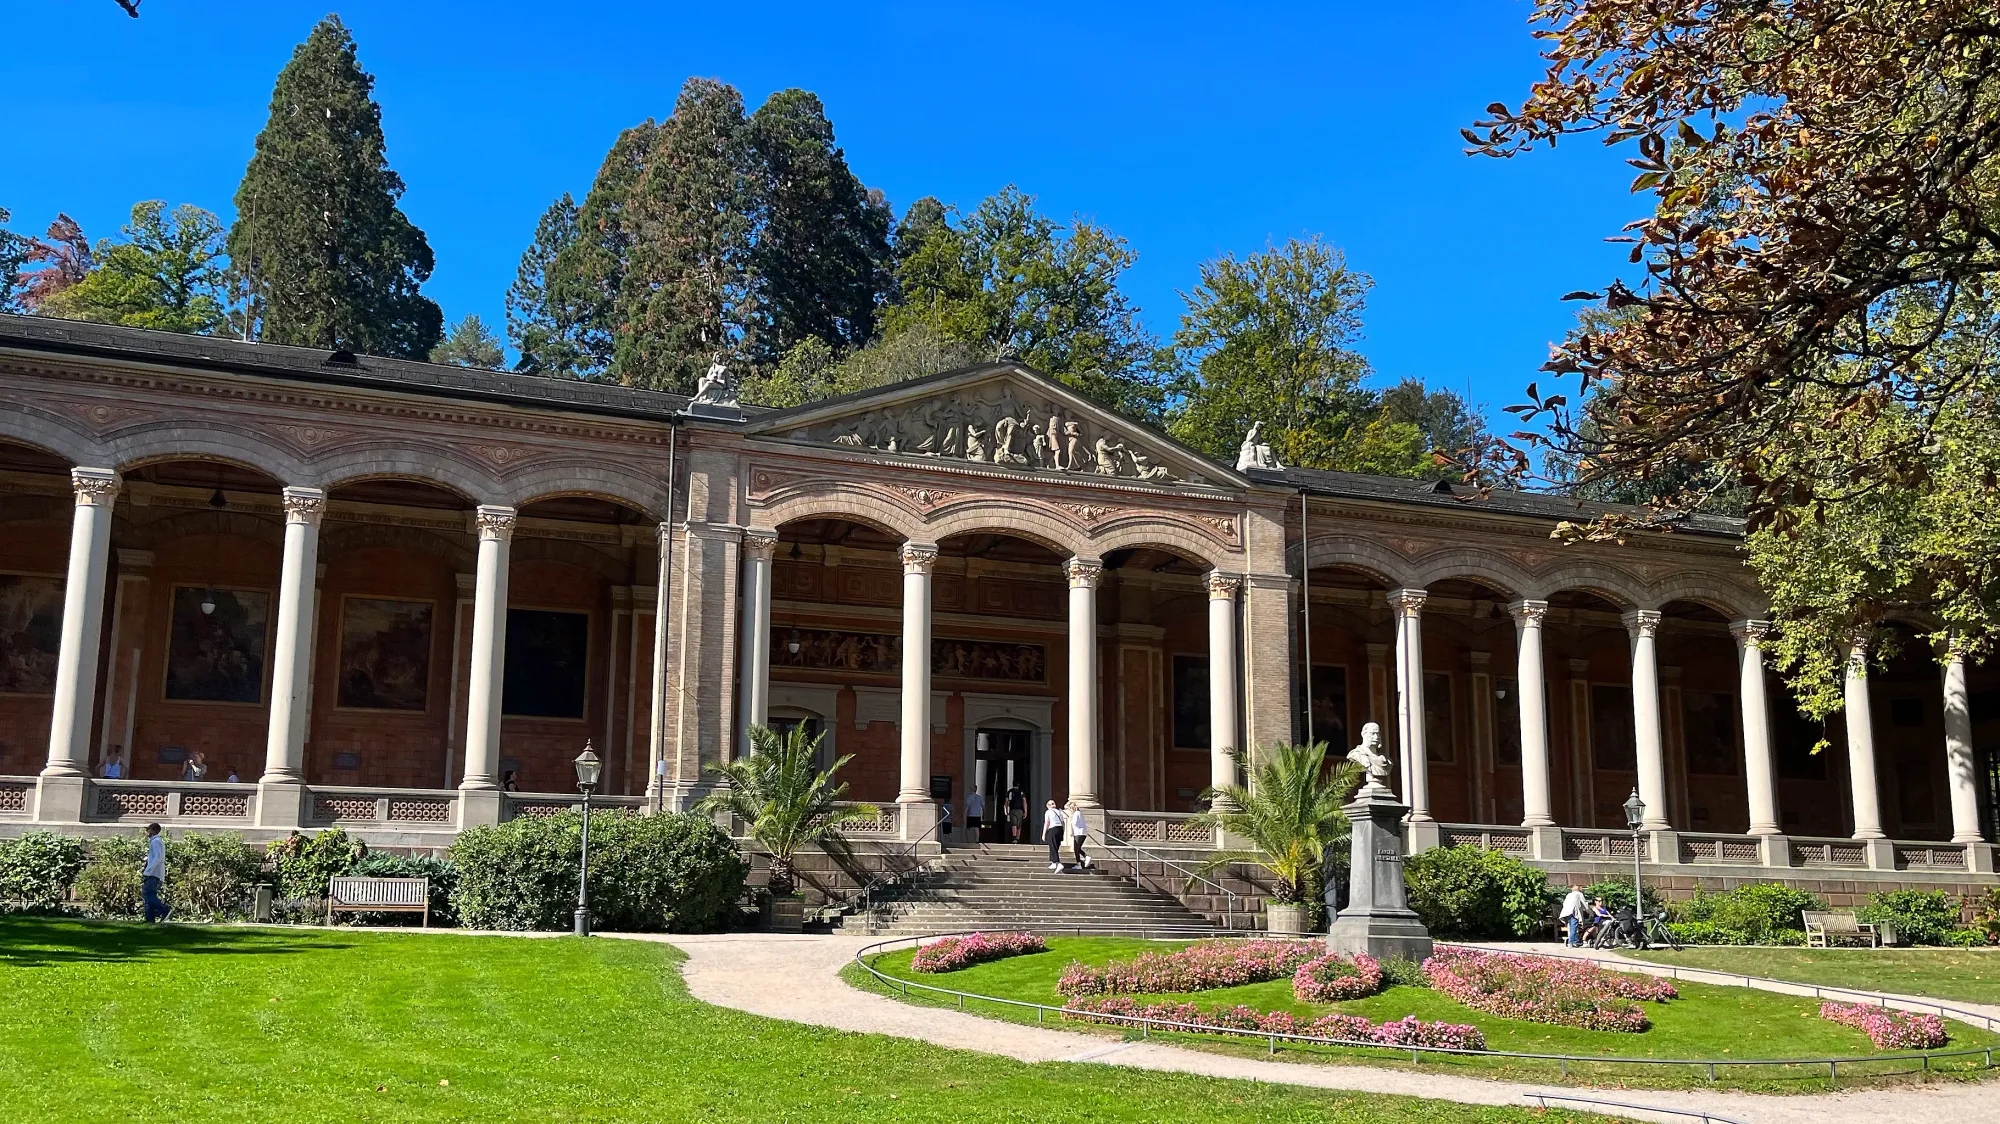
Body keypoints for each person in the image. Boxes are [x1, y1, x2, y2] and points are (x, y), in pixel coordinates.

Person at [141, 822, 169, 923]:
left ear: (152, 830)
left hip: (154, 873)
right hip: (153, 873)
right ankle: (149, 920)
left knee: (148, 894)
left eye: (148, 829)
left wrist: (148, 871)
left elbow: (158, 857)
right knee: (148, 896)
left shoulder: (156, 841)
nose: (147, 832)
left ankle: (164, 909)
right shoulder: (155, 841)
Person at [1042, 800, 1067, 871]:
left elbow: (1046, 823)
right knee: (1056, 846)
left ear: (1048, 806)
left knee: (1052, 845)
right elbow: (1063, 823)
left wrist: (1044, 834)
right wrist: (1063, 831)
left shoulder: (1048, 812)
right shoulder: (1059, 812)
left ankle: (1058, 863)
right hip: (1060, 829)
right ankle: (1053, 862)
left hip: (1053, 829)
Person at [1067, 802, 1091, 869]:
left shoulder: (1076, 813)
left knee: (1076, 849)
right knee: (1078, 848)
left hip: (1078, 833)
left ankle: (1079, 863)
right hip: (1082, 833)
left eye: (1069, 809)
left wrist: (1070, 819)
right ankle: (1085, 858)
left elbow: (1074, 823)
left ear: (1071, 808)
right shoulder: (1079, 813)